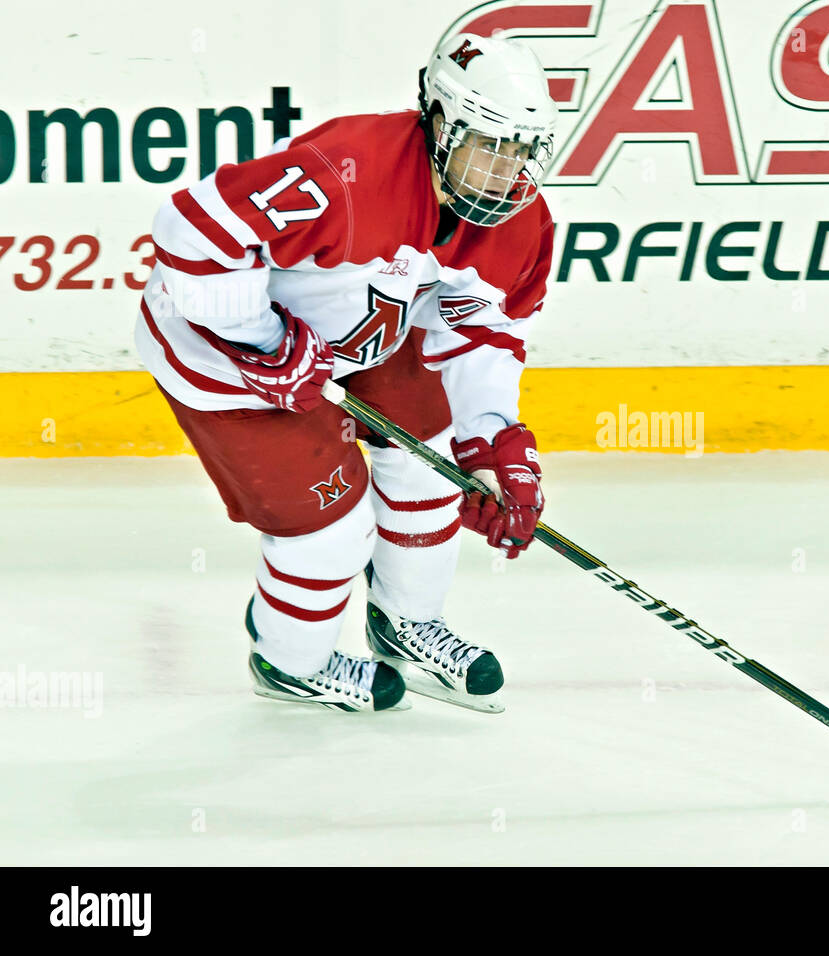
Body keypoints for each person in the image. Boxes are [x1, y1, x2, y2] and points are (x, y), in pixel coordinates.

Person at [133, 32, 558, 713]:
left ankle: (406, 619)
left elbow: (482, 334)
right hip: (222, 359)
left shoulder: (521, 224)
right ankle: (289, 660)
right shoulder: (347, 173)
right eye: (491, 144)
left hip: (354, 340)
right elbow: (192, 232)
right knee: (334, 530)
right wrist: (263, 341)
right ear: (441, 126)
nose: (510, 172)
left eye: (523, 150)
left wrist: (493, 441)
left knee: (435, 463)